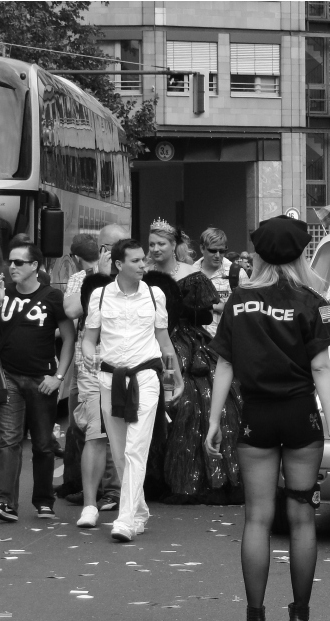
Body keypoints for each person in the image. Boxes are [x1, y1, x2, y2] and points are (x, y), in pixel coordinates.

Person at [206, 216, 330, 621]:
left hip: (255, 416)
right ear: (298, 254)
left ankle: (254, 619)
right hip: (299, 419)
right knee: (302, 517)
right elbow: (322, 368)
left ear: (259, 255)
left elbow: (225, 365)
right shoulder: (312, 300)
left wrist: (214, 419)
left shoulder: (238, 301)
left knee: (256, 518)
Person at [83, 239, 183, 541]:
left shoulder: (155, 295)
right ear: (118, 265)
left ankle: (125, 520)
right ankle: (139, 511)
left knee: (135, 448)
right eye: (137, 261)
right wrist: (88, 351)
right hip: (109, 379)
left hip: (146, 379)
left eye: (144, 260)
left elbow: (164, 343)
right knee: (120, 452)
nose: (144, 265)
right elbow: (89, 338)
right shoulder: (99, 296)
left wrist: (174, 380)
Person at [145, 218, 243, 503]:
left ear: (174, 246)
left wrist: (185, 310)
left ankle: (193, 478)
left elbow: (203, 316)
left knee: (196, 403)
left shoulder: (191, 274)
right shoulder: (142, 271)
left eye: (161, 244)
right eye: (151, 244)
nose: (155, 249)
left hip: (186, 344)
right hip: (147, 342)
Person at [0, 243, 75, 522]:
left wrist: (58, 378)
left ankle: (44, 500)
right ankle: (4, 502)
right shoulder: (3, 293)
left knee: (44, 444)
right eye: (11, 262)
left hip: (41, 379)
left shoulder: (52, 296)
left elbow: (69, 338)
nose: (12, 267)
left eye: (20, 262)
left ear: (35, 266)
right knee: (8, 439)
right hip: (8, 376)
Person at [63, 225, 130, 523]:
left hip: (120, 365)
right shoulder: (81, 278)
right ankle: (91, 491)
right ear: (100, 249)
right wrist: (98, 278)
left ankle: (113, 491)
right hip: (86, 365)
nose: (113, 253)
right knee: (84, 428)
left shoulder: (132, 278)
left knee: (108, 430)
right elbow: (71, 310)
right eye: (108, 247)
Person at [192, 227, 247, 337]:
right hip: (197, 341)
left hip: (227, 342)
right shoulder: (190, 273)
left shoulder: (236, 273)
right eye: (213, 251)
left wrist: (222, 307)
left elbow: (248, 308)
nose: (218, 255)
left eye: (222, 251)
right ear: (202, 248)